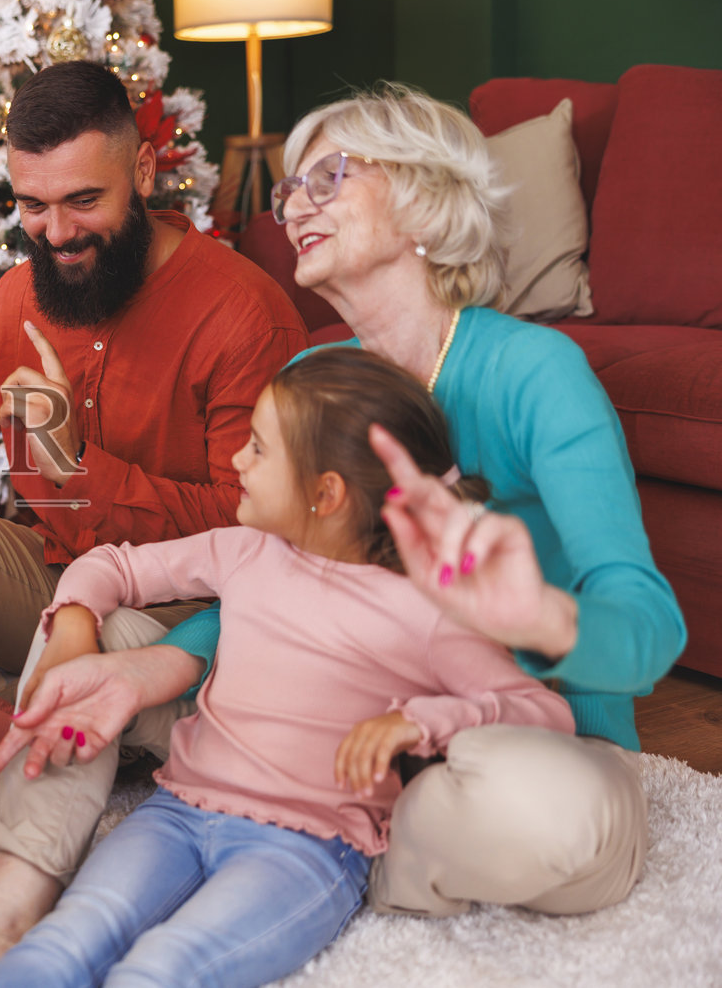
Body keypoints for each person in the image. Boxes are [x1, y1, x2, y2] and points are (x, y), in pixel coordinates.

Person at [91, 83, 683, 923]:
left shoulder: (536, 372)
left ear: (425, 201)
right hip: (347, 720)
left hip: (526, 730)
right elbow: (275, 576)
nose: (295, 205)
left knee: (551, 810)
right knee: (120, 641)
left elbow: (649, 631)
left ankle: (342, 850)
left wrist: (542, 619)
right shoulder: (306, 383)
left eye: (329, 177)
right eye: (291, 188)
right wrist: (172, 658)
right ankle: (309, 829)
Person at [0, 59, 309, 977]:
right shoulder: (18, 292)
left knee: (105, 635)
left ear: (149, 169)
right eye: (33, 205)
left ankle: (25, 735)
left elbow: (255, 530)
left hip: (172, 612)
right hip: (50, 582)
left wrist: (73, 462)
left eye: (83, 200)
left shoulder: (244, 313)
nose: (56, 231)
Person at [0, 348, 574, 987]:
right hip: (176, 813)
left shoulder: (427, 612)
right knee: (65, 939)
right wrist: (71, 628)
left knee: (163, 969)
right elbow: (114, 566)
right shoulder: (245, 550)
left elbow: (542, 710)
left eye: (258, 449)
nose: (237, 461)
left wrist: (419, 723)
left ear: (326, 494)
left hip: (307, 849)